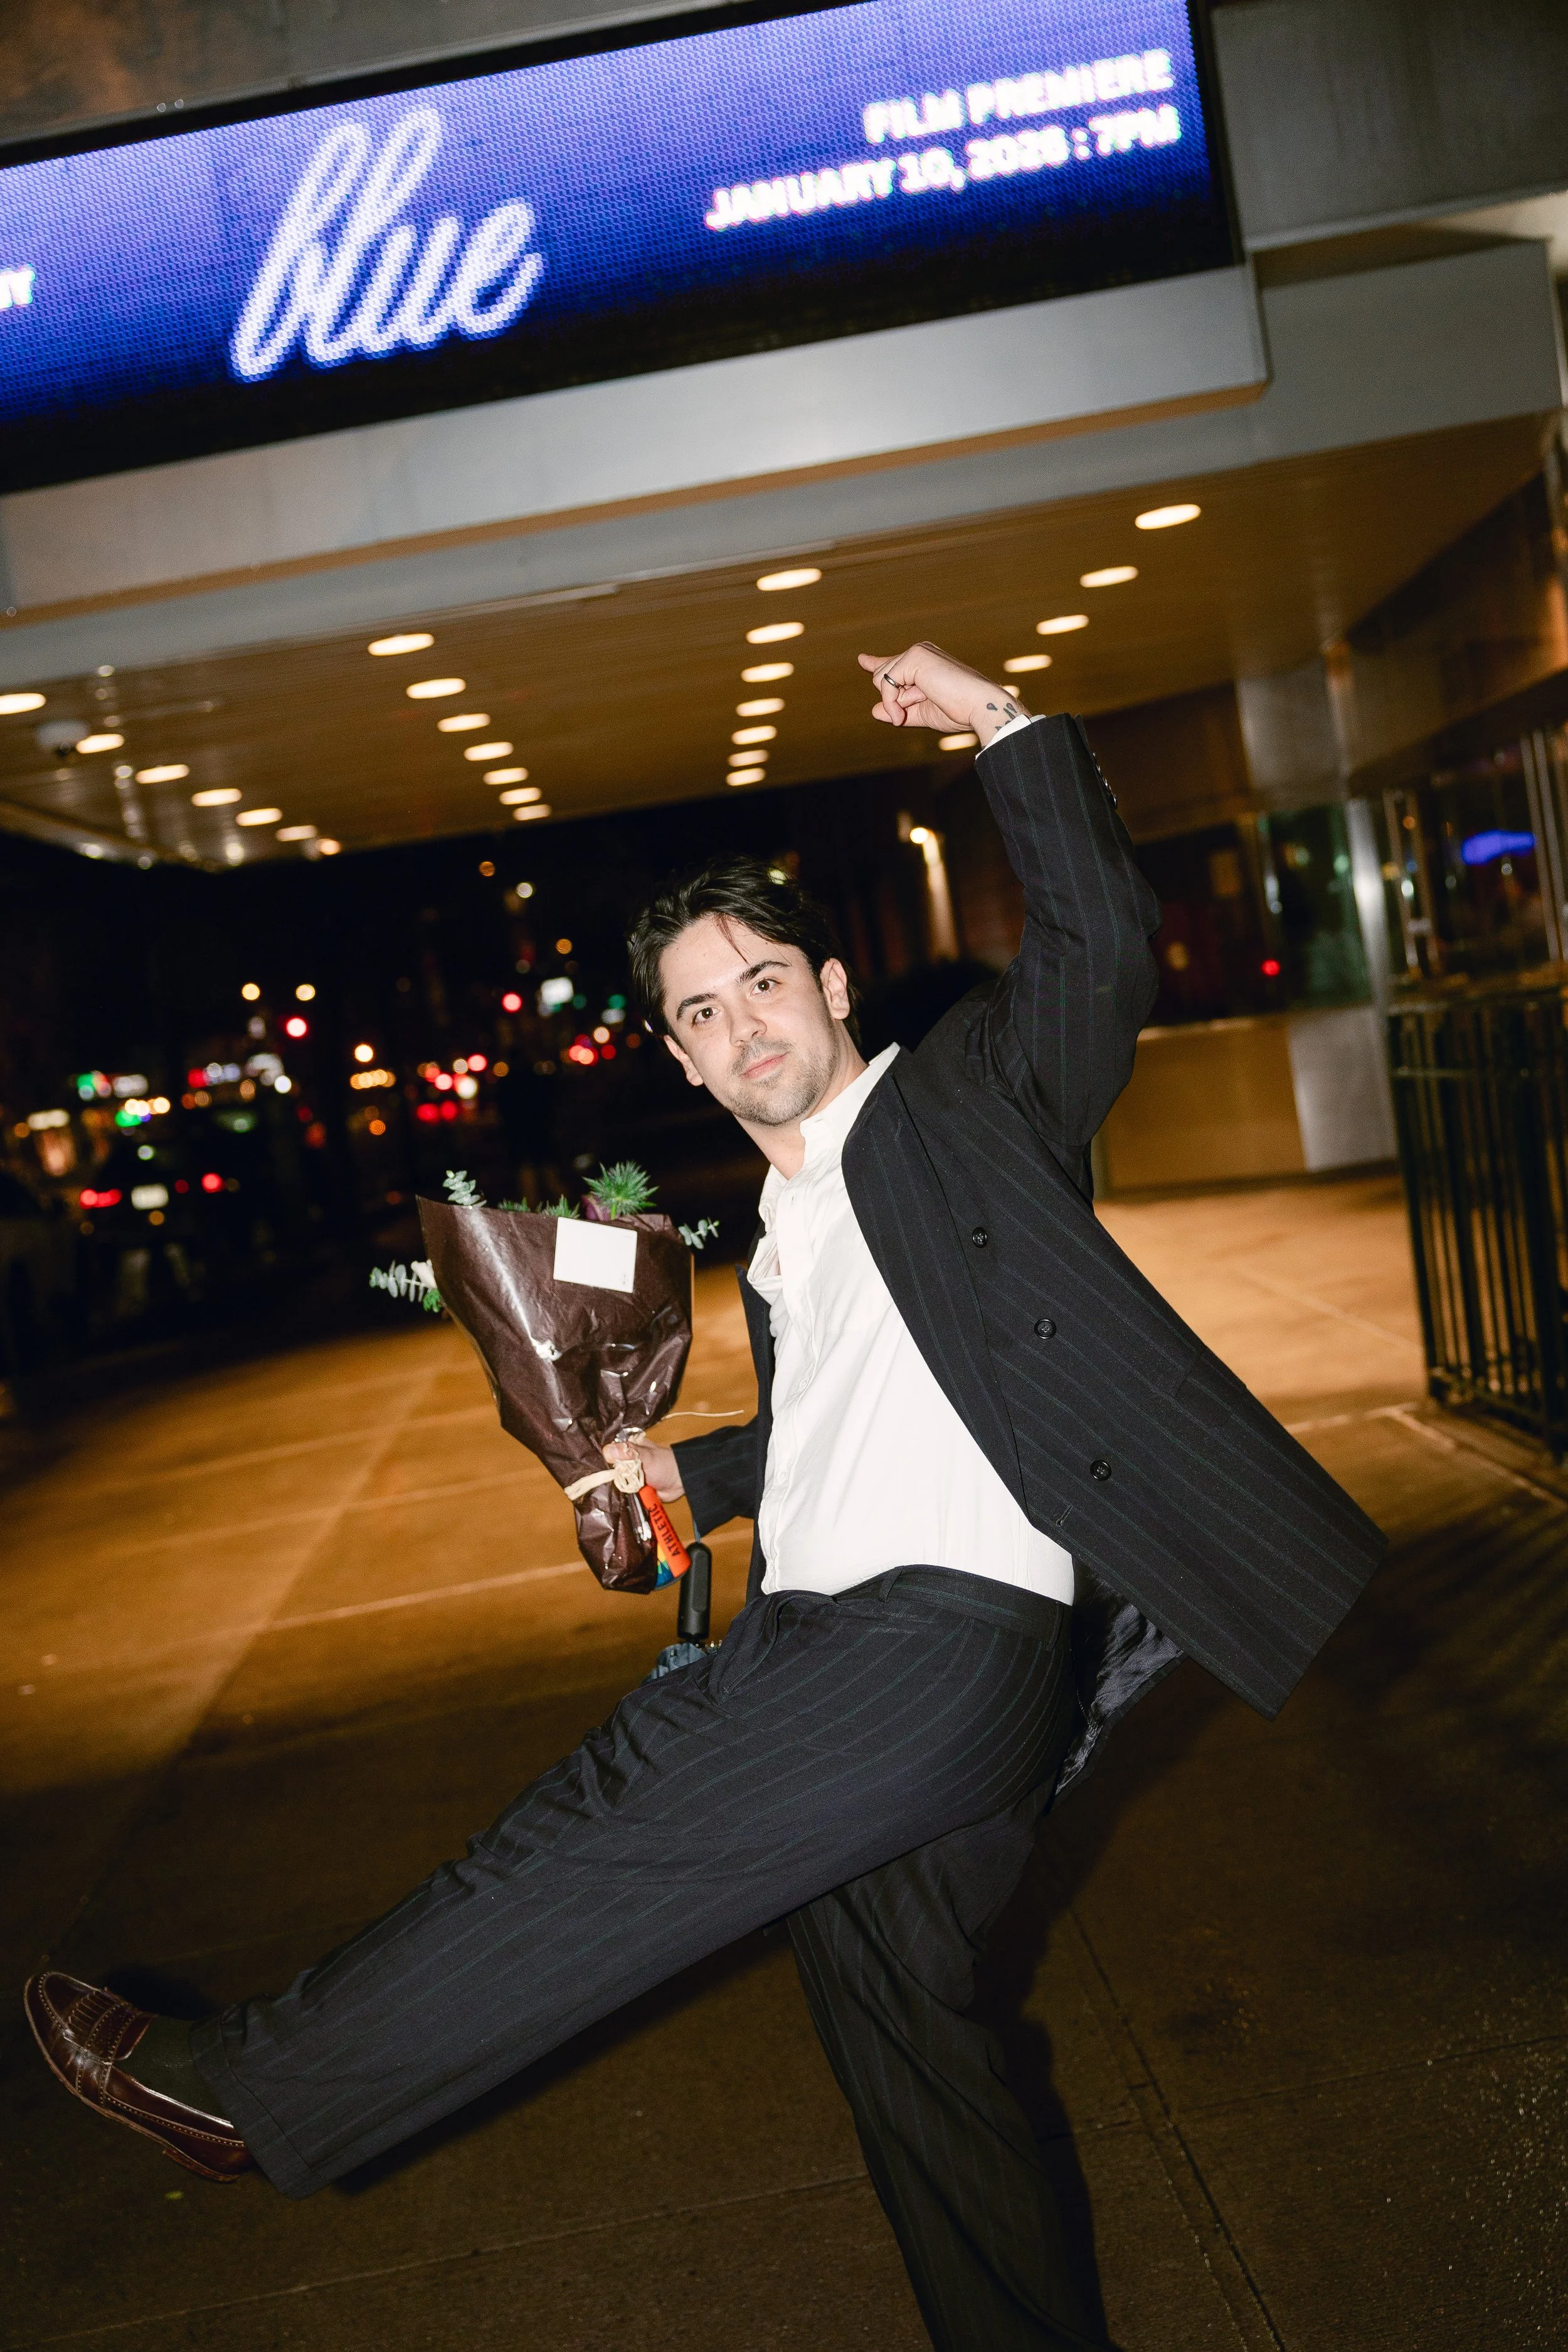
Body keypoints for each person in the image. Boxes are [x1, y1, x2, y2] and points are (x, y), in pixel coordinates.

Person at [26, 644, 1385, 2352]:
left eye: (760, 982)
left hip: (918, 1643)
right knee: (905, 2034)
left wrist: (1003, 730)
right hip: (916, 1676)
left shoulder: (961, 1102)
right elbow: (852, 1412)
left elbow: (1098, 950)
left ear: (831, 982)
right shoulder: (788, 1238)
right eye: (700, 1010)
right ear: (676, 1056)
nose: (743, 1025)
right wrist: (689, 1469)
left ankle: (251, 2087)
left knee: (621, 1800)